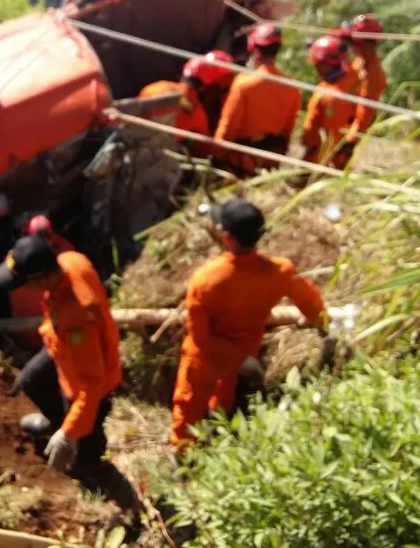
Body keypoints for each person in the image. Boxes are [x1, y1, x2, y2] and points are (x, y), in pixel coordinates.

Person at [169, 199, 329, 452]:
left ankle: (184, 458)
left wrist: (238, 360)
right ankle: (215, 439)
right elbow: (309, 300)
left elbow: (201, 338)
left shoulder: (206, 280)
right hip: (244, 353)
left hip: (205, 360)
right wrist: (323, 326)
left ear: (227, 238)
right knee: (224, 400)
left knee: (189, 408)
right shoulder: (280, 271)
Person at [0, 236, 121, 475]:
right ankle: (57, 420)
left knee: (83, 427)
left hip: (92, 375)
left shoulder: (78, 318)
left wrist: (68, 433)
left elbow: (91, 385)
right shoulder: (69, 261)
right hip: (62, 348)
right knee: (32, 380)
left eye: (25, 283)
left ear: (43, 278)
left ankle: (91, 461)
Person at [214, 24, 302, 175]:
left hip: (242, 162)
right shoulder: (292, 87)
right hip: (271, 161)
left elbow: (228, 127)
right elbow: (289, 129)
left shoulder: (244, 84)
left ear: (253, 48)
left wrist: (216, 156)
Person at [138, 50, 236, 152]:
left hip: (131, 147)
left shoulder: (153, 88)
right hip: (161, 157)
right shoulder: (197, 114)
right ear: (207, 87)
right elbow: (204, 149)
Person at [300, 35, 364, 170]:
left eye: (319, 65)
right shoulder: (351, 77)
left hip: (331, 159)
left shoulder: (331, 96)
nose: (317, 68)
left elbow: (330, 136)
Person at [338, 13, 388, 134]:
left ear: (363, 43)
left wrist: (349, 142)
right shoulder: (360, 63)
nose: (351, 46)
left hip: (349, 133)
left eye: (352, 42)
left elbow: (363, 118)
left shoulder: (373, 76)